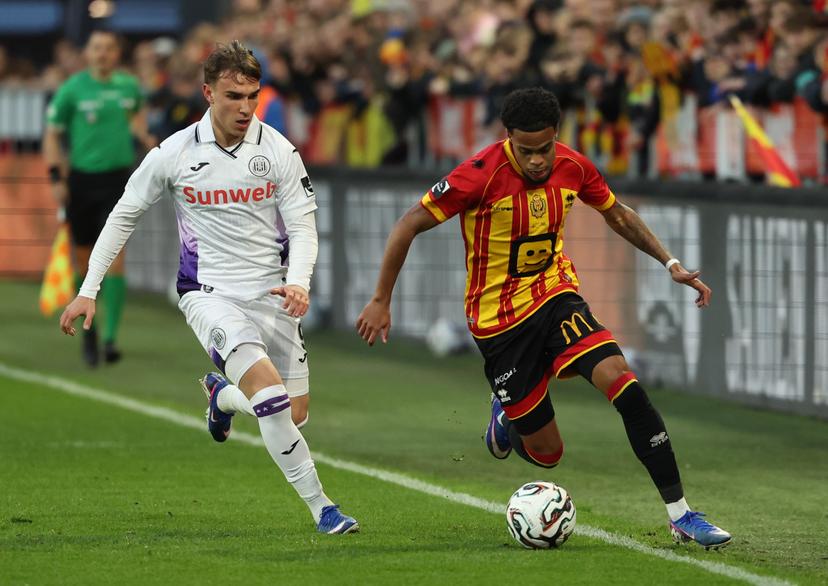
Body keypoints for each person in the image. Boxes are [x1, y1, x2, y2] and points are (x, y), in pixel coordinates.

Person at [356, 87, 730, 549]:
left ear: (557, 136)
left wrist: (670, 262)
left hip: (555, 296)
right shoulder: (477, 175)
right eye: (526, 150)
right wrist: (380, 298)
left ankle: (681, 515)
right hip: (497, 322)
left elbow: (617, 214)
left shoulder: (574, 166)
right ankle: (506, 417)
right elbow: (408, 223)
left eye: (545, 148)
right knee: (548, 454)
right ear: (507, 137)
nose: (537, 160)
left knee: (623, 383)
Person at [59, 40, 358, 535]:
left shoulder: (278, 150)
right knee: (272, 402)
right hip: (209, 294)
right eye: (232, 96)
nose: (244, 108)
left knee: (291, 413)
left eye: (252, 96)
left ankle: (221, 397)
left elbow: (304, 227)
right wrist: (89, 287)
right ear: (207, 93)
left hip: (275, 297)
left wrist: (299, 283)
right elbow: (123, 215)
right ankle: (324, 508)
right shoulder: (174, 153)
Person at [44, 29, 156, 366]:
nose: (103, 54)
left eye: (109, 48)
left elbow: (137, 118)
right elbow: (52, 134)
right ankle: (88, 333)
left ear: (116, 54)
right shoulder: (72, 89)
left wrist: (147, 139)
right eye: (97, 48)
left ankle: (110, 339)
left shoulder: (129, 87)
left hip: (117, 181)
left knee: (116, 258)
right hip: (81, 181)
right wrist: (55, 176)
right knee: (84, 259)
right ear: (88, 54)